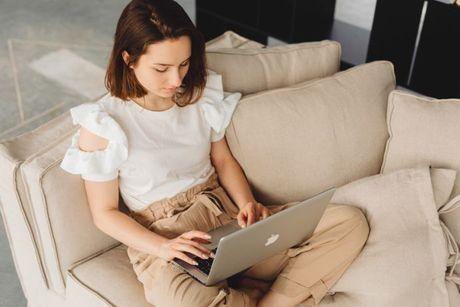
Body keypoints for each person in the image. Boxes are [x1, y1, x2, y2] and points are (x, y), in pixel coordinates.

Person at [60, 0, 370, 306]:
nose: (176, 80)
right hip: (167, 236)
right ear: (128, 59)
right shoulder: (104, 124)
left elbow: (222, 160)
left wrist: (247, 203)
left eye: (183, 63)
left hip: (223, 214)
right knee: (183, 300)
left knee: (348, 222)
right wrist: (164, 247)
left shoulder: (199, 96)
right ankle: (246, 293)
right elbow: (105, 213)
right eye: (161, 68)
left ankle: (267, 301)